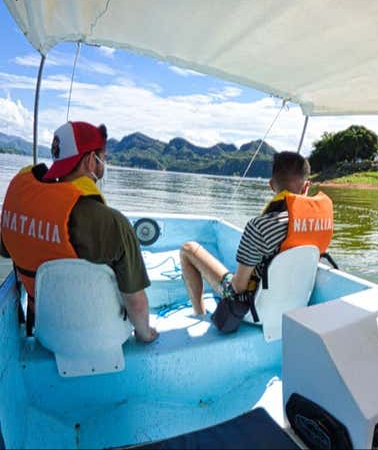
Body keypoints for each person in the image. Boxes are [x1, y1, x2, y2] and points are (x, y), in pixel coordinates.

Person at [1, 121, 158, 342]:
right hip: (101, 335)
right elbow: (136, 302)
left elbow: (6, 250)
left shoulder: (19, 200)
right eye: (102, 157)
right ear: (89, 160)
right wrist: (145, 334)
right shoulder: (114, 224)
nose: (104, 162)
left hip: (46, 330)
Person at [180, 151, 333, 325]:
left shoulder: (259, 227)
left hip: (255, 310)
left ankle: (199, 315)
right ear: (306, 187)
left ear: (271, 185)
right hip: (297, 305)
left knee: (188, 249)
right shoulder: (321, 224)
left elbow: (239, 288)